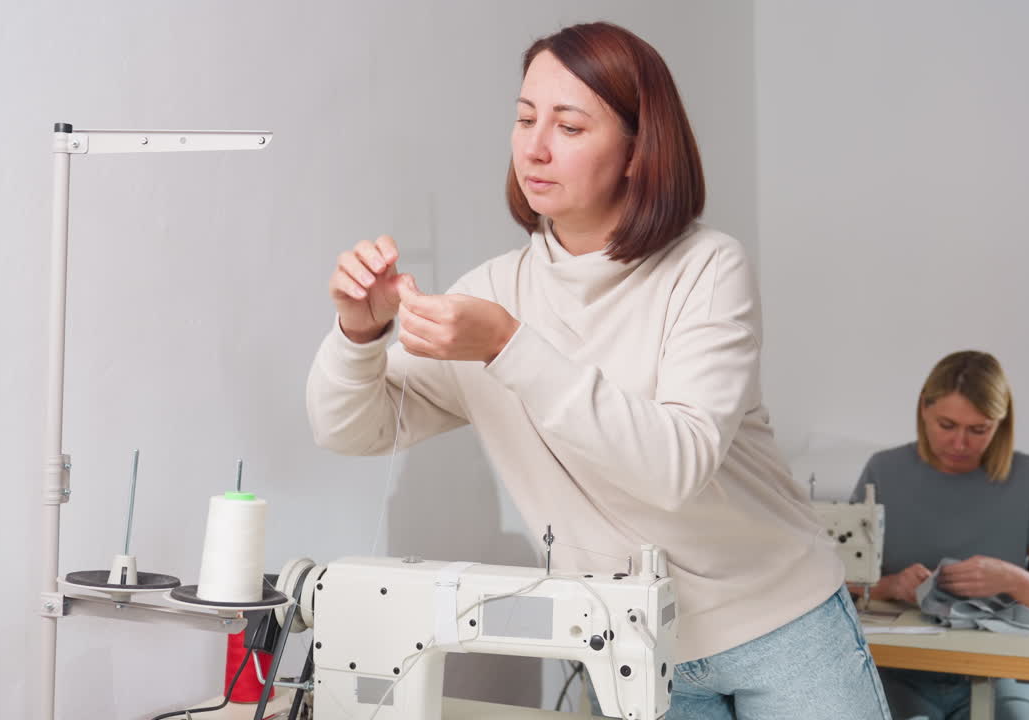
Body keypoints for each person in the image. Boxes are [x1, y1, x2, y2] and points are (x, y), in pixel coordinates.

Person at [306, 21, 889, 720]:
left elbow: (676, 465)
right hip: (628, 642)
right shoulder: (492, 295)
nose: (535, 145)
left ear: (640, 152)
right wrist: (360, 331)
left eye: (570, 126)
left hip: (781, 622)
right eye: (524, 118)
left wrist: (508, 347)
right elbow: (351, 428)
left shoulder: (705, 270)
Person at [852, 350, 1029, 720]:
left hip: (999, 670)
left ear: (1001, 423)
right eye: (947, 425)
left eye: (979, 430)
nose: (960, 443)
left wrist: (1011, 579)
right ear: (923, 410)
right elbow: (839, 584)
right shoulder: (884, 471)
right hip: (900, 671)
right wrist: (892, 586)